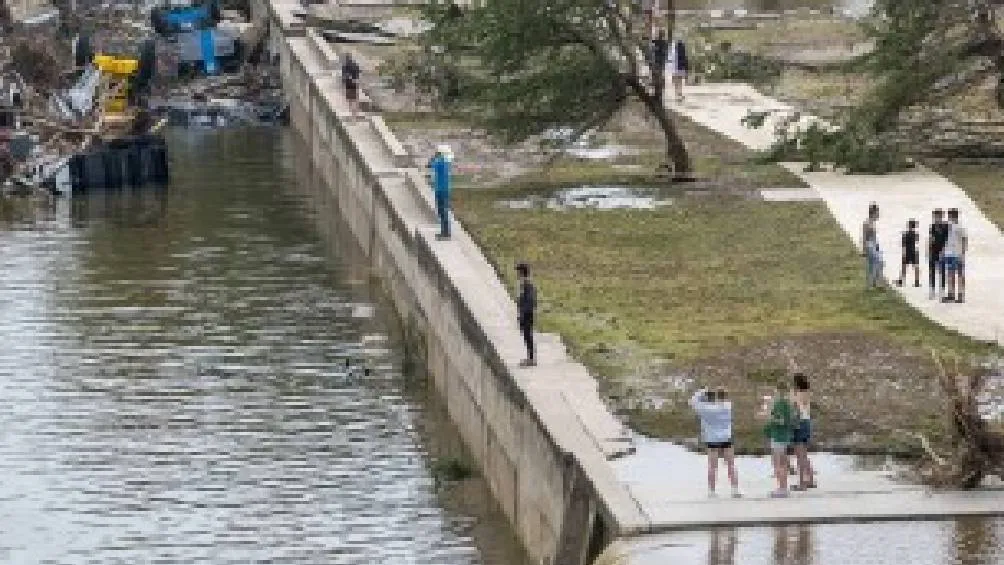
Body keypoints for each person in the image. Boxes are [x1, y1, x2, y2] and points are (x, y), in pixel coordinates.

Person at [690, 387, 742, 498]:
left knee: (712, 466)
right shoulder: (728, 406)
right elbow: (723, 400)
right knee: (731, 464)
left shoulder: (705, 409)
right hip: (726, 438)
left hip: (712, 439)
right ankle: (735, 489)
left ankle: (712, 491)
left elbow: (693, 400)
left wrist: (703, 390)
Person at [761, 381, 795, 498]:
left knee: (777, 463)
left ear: (778, 390)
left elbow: (781, 421)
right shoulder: (788, 403)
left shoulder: (780, 403)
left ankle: (782, 488)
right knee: (783, 462)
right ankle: (783, 487)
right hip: (785, 435)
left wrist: (770, 417)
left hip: (778, 436)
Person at [790, 373, 816, 491]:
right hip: (807, 423)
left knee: (800, 455)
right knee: (804, 455)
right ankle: (810, 479)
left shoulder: (798, 395)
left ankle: (802, 483)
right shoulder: (807, 393)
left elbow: (797, 410)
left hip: (800, 424)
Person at [941, 208, 967, 303]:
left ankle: (960, 295)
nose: (949, 218)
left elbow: (964, 240)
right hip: (949, 253)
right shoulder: (948, 227)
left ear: (953, 216)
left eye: (950, 216)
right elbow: (946, 240)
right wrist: (944, 250)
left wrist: (962, 253)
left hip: (957, 253)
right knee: (950, 274)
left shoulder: (960, 227)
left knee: (960, 274)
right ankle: (951, 294)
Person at [427, 144, 452, 239]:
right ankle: (444, 232)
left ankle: (446, 233)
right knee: (442, 211)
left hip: (441, 191)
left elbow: (429, 164)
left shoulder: (441, 163)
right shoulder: (446, 162)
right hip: (443, 190)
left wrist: (434, 156)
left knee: (442, 211)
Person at [516, 262, 537, 367]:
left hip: (527, 314)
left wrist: (523, 314)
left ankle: (531, 359)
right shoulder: (524, 284)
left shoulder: (528, 285)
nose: (517, 274)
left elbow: (530, 301)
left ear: (522, 272)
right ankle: (530, 358)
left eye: (518, 272)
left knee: (528, 336)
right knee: (526, 336)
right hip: (525, 314)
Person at [928, 208, 949, 300]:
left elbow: (947, 240)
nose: (937, 218)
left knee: (942, 271)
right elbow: (931, 238)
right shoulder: (932, 226)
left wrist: (944, 251)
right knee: (932, 271)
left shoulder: (946, 226)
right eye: (935, 216)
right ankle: (932, 290)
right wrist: (929, 250)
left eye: (938, 216)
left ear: (941, 216)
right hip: (933, 250)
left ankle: (942, 290)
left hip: (942, 250)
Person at [862, 203, 884, 289]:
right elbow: (864, 236)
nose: (878, 214)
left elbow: (874, 236)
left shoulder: (872, 223)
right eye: (877, 212)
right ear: (873, 213)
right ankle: (872, 283)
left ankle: (874, 283)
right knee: (876, 263)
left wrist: (877, 245)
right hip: (869, 245)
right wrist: (864, 249)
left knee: (875, 264)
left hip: (873, 245)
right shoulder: (867, 223)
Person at [895, 219, 920, 288]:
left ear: (908, 226)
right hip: (914, 251)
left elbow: (903, 245)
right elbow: (917, 242)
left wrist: (903, 253)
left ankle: (901, 281)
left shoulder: (905, 234)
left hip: (907, 251)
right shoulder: (916, 234)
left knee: (904, 267)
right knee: (916, 267)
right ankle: (917, 281)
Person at [669, 38, 688, 102]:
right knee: (679, 82)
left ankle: (677, 95)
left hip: (675, 68)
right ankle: (679, 94)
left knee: (676, 83)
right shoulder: (682, 50)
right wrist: (686, 69)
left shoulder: (673, 51)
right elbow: (685, 60)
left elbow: (671, 61)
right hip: (680, 68)